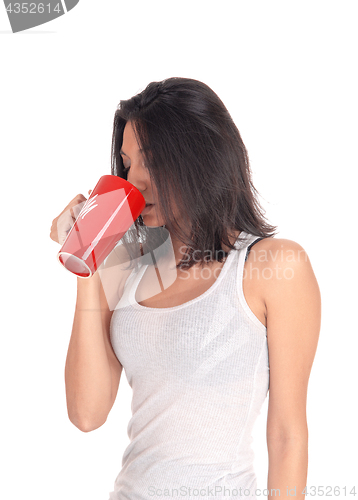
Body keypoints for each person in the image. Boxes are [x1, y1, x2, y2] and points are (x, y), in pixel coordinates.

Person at [50, 77, 321, 500]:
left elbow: (287, 436)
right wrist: (88, 258)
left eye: (151, 160)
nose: (133, 180)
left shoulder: (273, 265)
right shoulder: (129, 266)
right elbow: (86, 413)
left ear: (200, 158)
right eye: (126, 163)